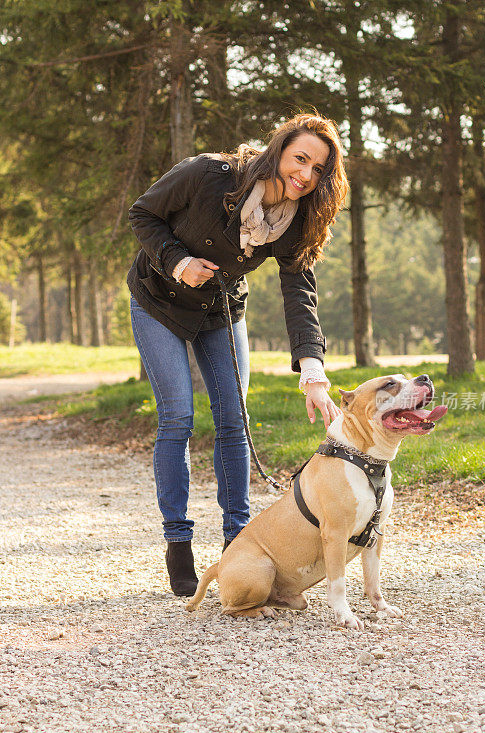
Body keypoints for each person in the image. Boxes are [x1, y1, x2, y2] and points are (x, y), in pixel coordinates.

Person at [127, 112, 349, 597]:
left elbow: (300, 294)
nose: (306, 174)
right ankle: (178, 544)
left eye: (318, 169)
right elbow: (142, 213)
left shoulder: (296, 222)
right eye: (300, 159)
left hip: (220, 311)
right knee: (178, 418)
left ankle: (238, 545)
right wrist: (178, 261)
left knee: (234, 420)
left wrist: (313, 370)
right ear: (279, 151)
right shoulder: (209, 174)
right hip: (159, 299)